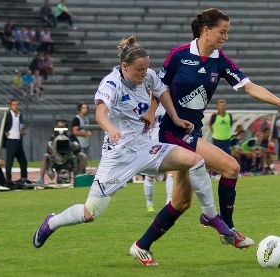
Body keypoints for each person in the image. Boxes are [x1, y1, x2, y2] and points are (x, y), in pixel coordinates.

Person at [32, 36, 233, 266]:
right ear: (124, 67)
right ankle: (52, 222)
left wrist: (175, 118)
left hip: (147, 147)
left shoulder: (147, 76)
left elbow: (162, 91)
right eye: (139, 69)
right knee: (90, 213)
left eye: (146, 68)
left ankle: (210, 215)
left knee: (196, 160)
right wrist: (111, 129)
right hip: (119, 156)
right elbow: (100, 113)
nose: (144, 73)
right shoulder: (112, 83)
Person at [149, 8, 280, 251]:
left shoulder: (220, 61)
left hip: (193, 132)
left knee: (181, 202)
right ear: (206, 30)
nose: (225, 37)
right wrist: (151, 113)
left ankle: (142, 245)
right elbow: (158, 88)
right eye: (222, 32)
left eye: (227, 33)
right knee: (231, 166)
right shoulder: (179, 55)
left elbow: (249, 86)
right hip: (172, 131)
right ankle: (227, 227)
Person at [34, 119, 87, 184]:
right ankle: (41, 178)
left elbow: (78, 149)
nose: (61, 129)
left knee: (82, 156)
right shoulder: (53, 136)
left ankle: (78, 177)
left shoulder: (71, 136)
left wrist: (74, 147)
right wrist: (51, 149)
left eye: (63, 127)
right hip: (56, 158)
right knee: (45, 156)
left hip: (69, 158)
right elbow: (48, 149)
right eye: (59, 127)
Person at [142, 104, 174, 212]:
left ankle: (169, 202)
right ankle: (149, 203)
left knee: (171, 172)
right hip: (152, 141)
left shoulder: (168, 102)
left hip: (167, 139)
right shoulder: (146, 103)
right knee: (150, 175)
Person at [2, 99, 28, 183]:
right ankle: (8, 179)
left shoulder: (20, 115)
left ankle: (24, 178)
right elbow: (2, 125)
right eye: (14, 105)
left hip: (18, 140)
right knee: (10, 161)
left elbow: (20, 126)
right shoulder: (8, 115)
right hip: (10, 141)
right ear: (10, 106)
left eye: (17, 105)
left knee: (23, 160)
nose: (16, 106)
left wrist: (22, 132)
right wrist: (5, 132)